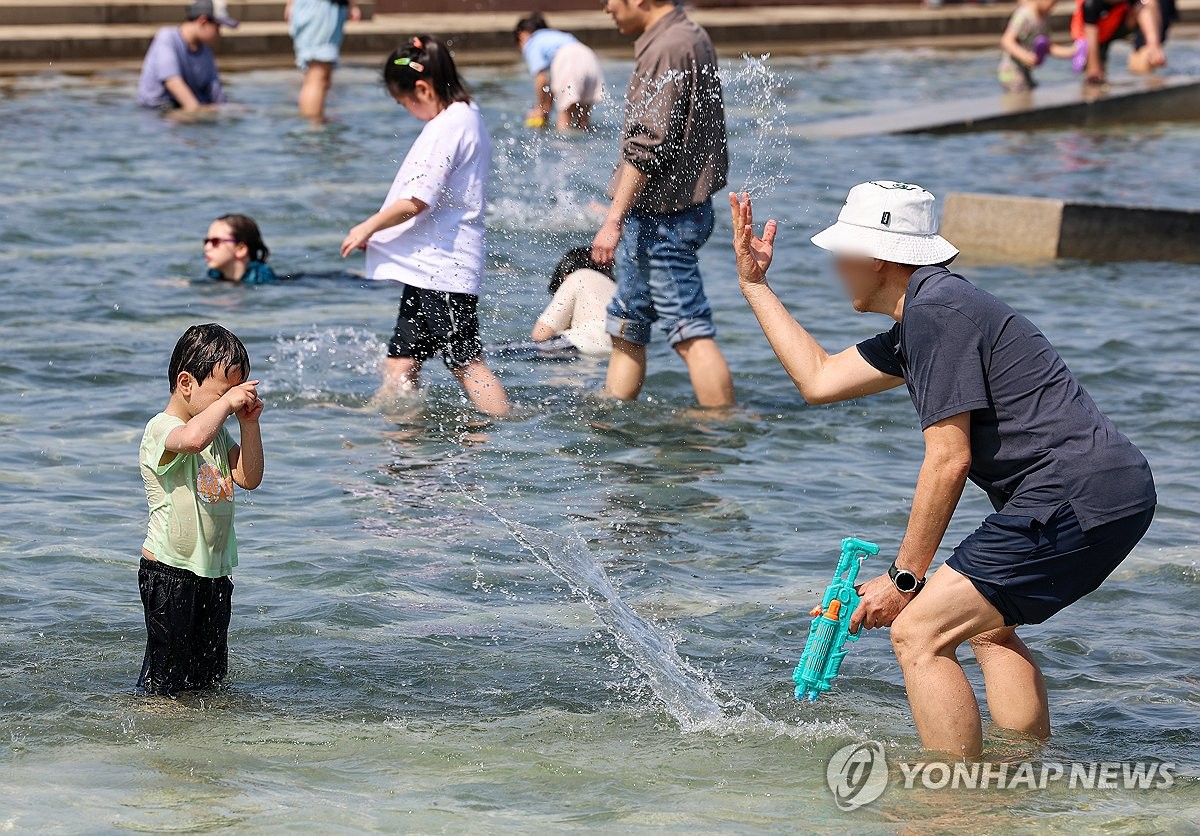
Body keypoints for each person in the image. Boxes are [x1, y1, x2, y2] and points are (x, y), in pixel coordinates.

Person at [731, 184, 1156, 758]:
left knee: (919, 634)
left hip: (1071, 493)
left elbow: (948, 457)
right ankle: (1021, 773)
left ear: (877, 256)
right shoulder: (929, 315)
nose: (835, 265)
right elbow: (820, 378)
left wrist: (904, 580)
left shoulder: (935, 313)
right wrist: (755, 286)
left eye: (843, 251)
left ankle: (953, 807)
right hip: (1107, 489)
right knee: (982, 625)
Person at [340, 36, 511, 417]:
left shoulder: (450, 125)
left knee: (465, 360)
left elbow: (418, 200)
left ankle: (505, 427)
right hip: (428, 267)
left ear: (423, 88)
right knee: (401, 358)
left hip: (444, 269)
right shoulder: (467, 114)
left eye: (404, 103)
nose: (407, 111)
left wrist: (368, 227)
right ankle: (394, 434)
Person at [591, 0, 734, 408]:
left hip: (663, 218)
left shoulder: (667, 45)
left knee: (689, 329)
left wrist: (613, 220)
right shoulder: (689, 35)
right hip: (674, 210)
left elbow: (648, 142)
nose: (606, 7)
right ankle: (613, 413)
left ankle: (720, 427)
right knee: (627, 323)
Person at [137, 323, 265, 696]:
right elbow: (191, 441)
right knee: (165, 681)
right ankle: (154, 734)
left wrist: (248, 424)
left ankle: (201, 740)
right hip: (169, 571)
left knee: (208, 681)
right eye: (225, 392)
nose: (234, 401)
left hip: (213, 571)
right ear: (186, 382)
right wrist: (226, 406)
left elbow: (249, 476)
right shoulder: (162, 428)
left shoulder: (218, 432)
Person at [136, 0, 237, 112]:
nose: (219, 34)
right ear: (203, 21)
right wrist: (198, 111)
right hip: (158, 112)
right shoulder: (167, 38)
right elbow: (173, 82)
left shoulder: (206, 52)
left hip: (188, 111)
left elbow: (217, 96)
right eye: (217, 28)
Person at [513, 13, 606, 131]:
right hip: (589, 56)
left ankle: (564, 146)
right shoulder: (556, 36)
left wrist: (540, 109)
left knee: (565, 115)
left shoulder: (532, 42)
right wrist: (547, 107)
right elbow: (553, 85)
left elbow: (541, 80)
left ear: (521, 36)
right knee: (583, 119)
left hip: (568, 59)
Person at [285, 0, 362, 122]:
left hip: (316, 8)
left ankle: (315, 121)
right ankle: (313, 126)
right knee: (318, 73)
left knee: (320, 74)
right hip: (320, 10)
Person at [531, 247, 617, 355]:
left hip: (584, 342)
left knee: (507, 350)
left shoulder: (577, 276)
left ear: (565, 277)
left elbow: (540, 334)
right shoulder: (616, 289)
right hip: (617, 350)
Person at [1071, 0, 1173, 83]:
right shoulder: (1091, 5)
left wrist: (1154, 46)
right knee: (1094, 76)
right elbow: (1091, 38)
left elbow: (1148, 7)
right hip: (1097, 38)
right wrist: (1094, 68)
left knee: (1144, 6)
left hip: (1120, 24)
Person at [998, 0, 1079, 92]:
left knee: (1030, 90)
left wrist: (1073, 51)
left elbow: (1048, 47)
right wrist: (1024, 56)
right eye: (1051, 3)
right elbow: (1006, 41)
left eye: (1054, 4)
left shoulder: (1044, 18)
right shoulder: (1024, 15)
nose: (1052, 7)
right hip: (1010, 70)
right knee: (1020, 94)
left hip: (1026, 69)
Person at [204, 214, 279, 284]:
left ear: (241, 249)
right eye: (206, 241)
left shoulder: (263, 282)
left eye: (215, 241)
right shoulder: (214, 277)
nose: (207, 247)